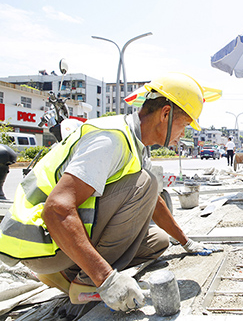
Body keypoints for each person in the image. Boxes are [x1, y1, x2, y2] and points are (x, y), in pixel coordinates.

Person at [0, 73, 221, 313]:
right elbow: (57, 210)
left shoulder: (136, 143)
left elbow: (153, 203)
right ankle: (85, 282)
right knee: (146, 183)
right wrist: (106, 278)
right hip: (40, 241)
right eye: (185, 125)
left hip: (54, 241)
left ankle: (66, 273)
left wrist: (186, 241)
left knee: (158, 242)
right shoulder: (111, 139)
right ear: (165, 114)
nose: (183, 134)